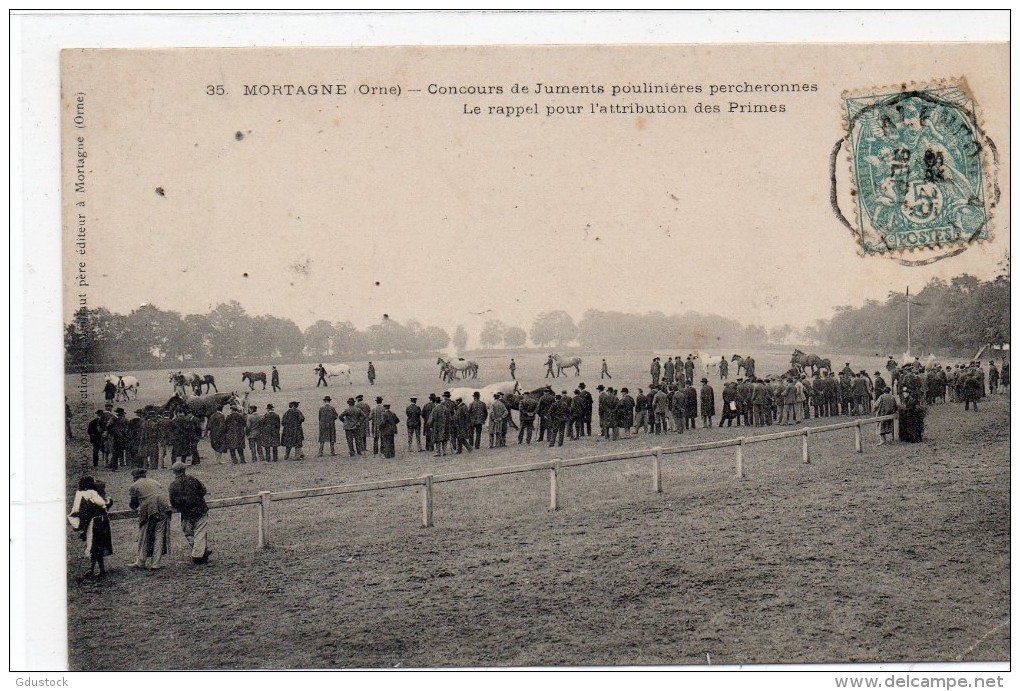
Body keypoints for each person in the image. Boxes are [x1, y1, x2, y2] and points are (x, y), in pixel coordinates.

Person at [68, 476, 113, 578]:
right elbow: (103, 503)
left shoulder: (79, 493)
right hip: (100, 521)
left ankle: (93, 568)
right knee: (98, 545)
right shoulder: (93, 493)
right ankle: (98, 568)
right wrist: (107, 501)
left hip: (91, 522)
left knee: (94, 544)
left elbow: (76, 510)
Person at [168, 462, 212, 565]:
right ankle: (200, 553)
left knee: (188, 532)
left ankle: (198, 554)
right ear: (184, 470)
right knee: (200, 532)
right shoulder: (193, 479)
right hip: (200, 509)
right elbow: (203, 491)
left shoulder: (173, 485)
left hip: (186, 512)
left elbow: (173, 502)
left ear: (174, 472)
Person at [128, 468, 171, 571]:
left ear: (134, 477)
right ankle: (155, 564)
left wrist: (136, 506)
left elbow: (133, 504)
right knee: (159, 536)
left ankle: (140, 561)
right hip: (163, 509)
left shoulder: (134, 486)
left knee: (144, 535)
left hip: (150, 511)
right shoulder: (154, 482)